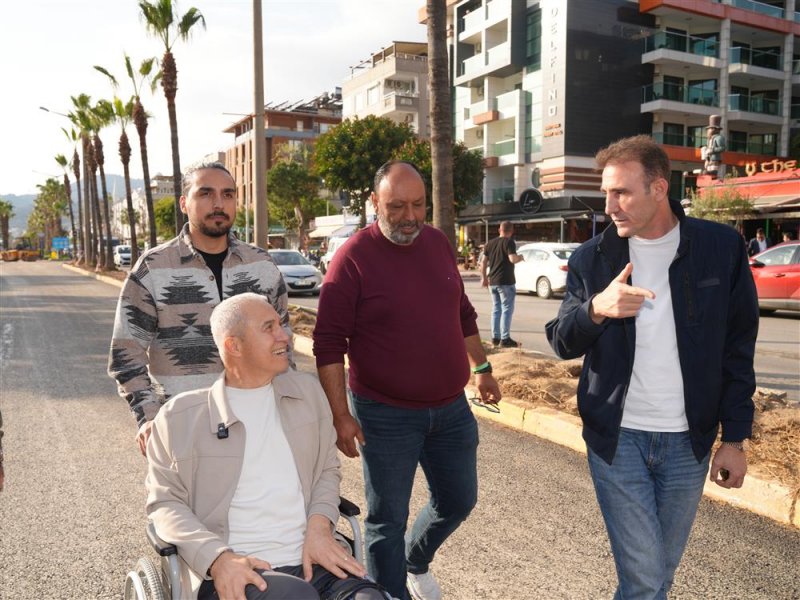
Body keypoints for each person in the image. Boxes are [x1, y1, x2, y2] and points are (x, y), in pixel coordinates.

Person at [545, 135, 758, 599]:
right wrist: (596, 308)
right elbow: (561, 341)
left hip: (690, 441)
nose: (609, 205)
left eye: (621, 192)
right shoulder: (592, 258)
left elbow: (738, 349)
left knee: (657, 576)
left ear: (659, 189)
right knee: (645, 578)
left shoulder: (720, 249)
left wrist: (735, 438)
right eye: (606, 193)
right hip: (618, 440)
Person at [313, 161, 501, 600]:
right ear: (374, 202)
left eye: (418, 205)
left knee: (458, 500)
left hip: (451, 409)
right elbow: (327, 343)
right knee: (386, 519)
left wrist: (482, 368)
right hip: (384, 413)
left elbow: (462, 313)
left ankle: (415, 560)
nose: (410, 216)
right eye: (397, 206)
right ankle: (388, 594)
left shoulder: (436, 243)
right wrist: (341, 415)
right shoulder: (352, 259)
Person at [146, 293, 385, 600]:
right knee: (295, 596)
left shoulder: (308, 395)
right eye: (269, 327)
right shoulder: (180, 418)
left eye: (281, 326)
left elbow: (327, 470)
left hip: (316, 559)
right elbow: (165, 504)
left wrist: (320, 527)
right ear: (234, 345)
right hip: (236, 571)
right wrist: (218, 559)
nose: (284, 335)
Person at [108, 161, 290, 456]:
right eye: (206, 193)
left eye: (228, 194)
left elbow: (284, 345)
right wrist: (149, 416)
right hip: (183, 429)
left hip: (261, 423)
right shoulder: (153, 269)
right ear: (184, 202)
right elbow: (126, 354)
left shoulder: (262, 266)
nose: (219, 204)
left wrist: (290, 408)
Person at [480, 221, 524, 347]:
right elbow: (512, 259)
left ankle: (495, 337)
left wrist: (484, 278)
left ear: (500, 229)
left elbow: (483, 263)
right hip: (506, 281)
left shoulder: (490, 243)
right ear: (511, 231)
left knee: (496, 309)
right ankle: (505, 339)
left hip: (492, 281)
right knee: (507, 309)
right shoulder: (509, 242)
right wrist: (520, 257)